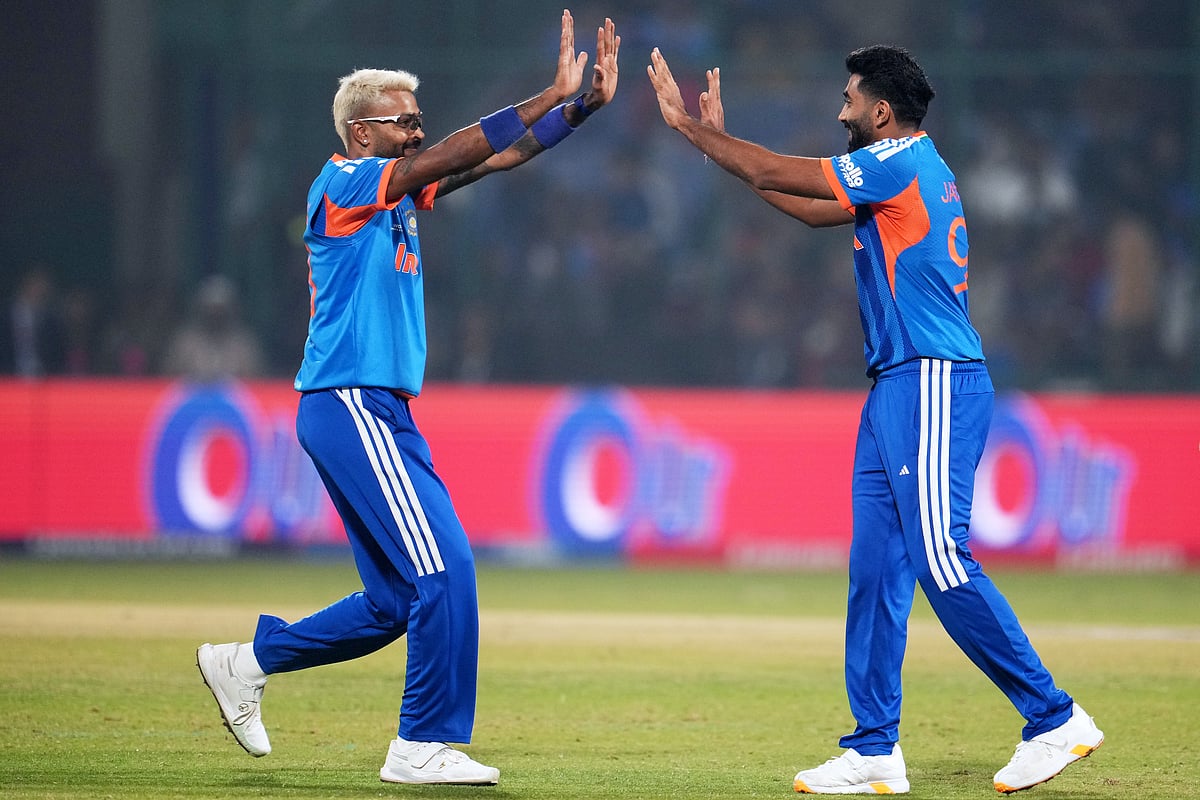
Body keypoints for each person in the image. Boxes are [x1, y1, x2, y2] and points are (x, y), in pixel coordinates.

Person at [647, 45, 1103, 795]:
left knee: (940, 561)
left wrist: (696, 133)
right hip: (896, 384)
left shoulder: (897, 163)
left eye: (850, 101)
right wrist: (723, 149)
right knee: (877, 572)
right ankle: (872, 749)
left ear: (881, 113)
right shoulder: (907, 170)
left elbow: (773, 169)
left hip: (931, 378)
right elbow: (798, 203)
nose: (840, 111)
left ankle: (1053, 717)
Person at [197, 10, 619, 786]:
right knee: (446, 566)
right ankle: (420, 743)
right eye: (406, 122)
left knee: (395, 600)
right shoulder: (346, 180)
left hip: (372, 408)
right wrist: (544, 92)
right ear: (363, 132)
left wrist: (580, 108)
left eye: (421, 121)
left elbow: (495, 159)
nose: (419, 133)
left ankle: (245, 663)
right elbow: (462, 148)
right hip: (351, 401)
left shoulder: (392, 193)